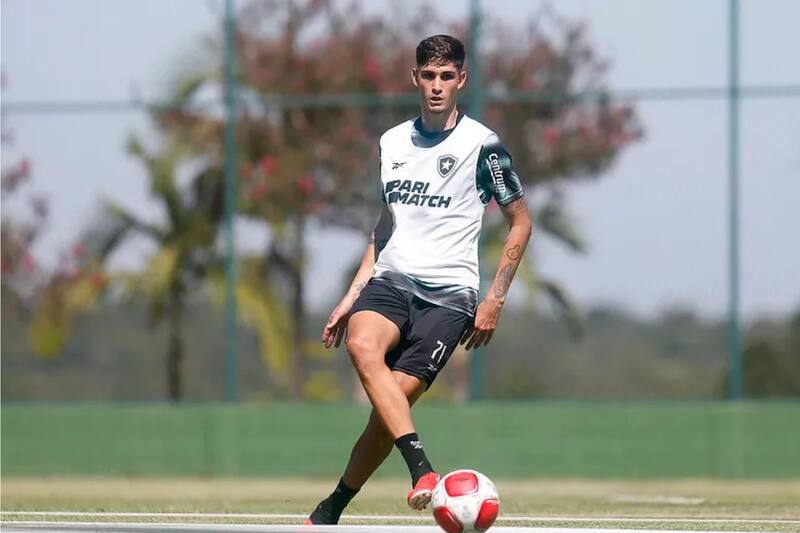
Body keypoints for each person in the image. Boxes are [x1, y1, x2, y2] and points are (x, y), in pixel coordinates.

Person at [305, 34, 532, 525]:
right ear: (415, 78)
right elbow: (385, 225)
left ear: (461, 80)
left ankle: (332, 508)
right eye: (428, 76)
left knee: (389, 414)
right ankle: (423, 471)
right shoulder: (391, 142)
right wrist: (352, 293)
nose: (436, 86)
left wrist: (494, 300)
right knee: (362, 347)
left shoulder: (483, 146)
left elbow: (521, 221)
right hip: (391, 281)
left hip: (450, 298)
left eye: (446, 76)